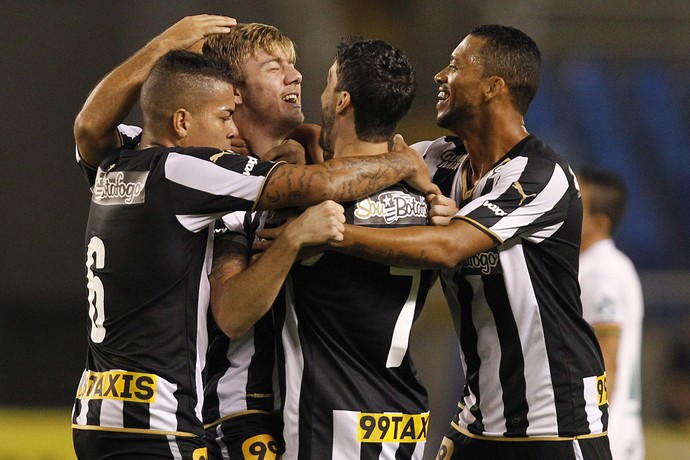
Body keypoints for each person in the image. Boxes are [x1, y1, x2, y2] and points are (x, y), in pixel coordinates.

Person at [71, 49, 438, 459]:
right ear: (237, 93)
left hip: (113, 407)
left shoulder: (128, 165)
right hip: (217, 417)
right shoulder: (191, 170)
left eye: (295, 63)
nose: (295, 76)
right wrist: (405, 164)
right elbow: (314, 188)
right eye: (274, 67)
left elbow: (91, 129)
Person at [327, 25, 612, 460]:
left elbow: (448, 248)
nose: (441, 75)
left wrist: (333, 234)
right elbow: (353, 163)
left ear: (493, 88)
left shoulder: (540, 174)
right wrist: (297, 148)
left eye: (456, 66)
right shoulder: (441, 159)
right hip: (474, 424)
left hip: (555, 424)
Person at [267, 36, 434, 459]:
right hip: (404, 419)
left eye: (326, 84)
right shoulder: (431, 203)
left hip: (330, 417)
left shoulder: (314, 203)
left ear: (342, 101)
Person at [578, 168, 644, 460]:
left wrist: (592, 439)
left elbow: (607, 360)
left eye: (576, 203)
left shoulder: (603, 271)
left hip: (605, 439)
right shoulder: (592, 266)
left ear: (600, 222)